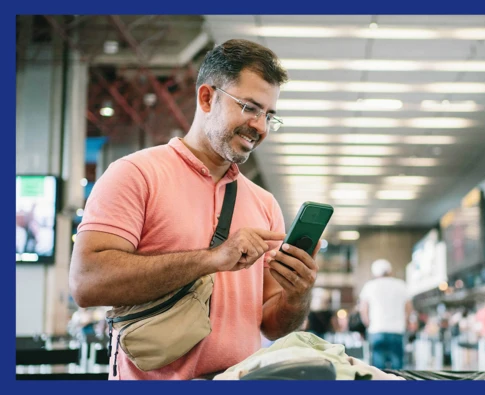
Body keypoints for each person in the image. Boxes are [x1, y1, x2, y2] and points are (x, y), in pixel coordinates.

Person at [70, 39, 321, 380]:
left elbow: (273, 326)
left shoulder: (264, 204)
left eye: (269, 115)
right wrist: (211, 259)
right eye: (249, 107)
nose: (260, 126)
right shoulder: (136, 174)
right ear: (207, 98)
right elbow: (86, 282)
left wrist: (298, 294)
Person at [358, 259, 412, 370]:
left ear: (375, 273)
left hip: (376, 330)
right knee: (398, 369)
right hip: (397, 330)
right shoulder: (401, 285)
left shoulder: (370, 286)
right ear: (390, 271)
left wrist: (368, 324)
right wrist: (405, 323)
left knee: (378, 370)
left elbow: (363, 309)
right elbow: (408, 308)